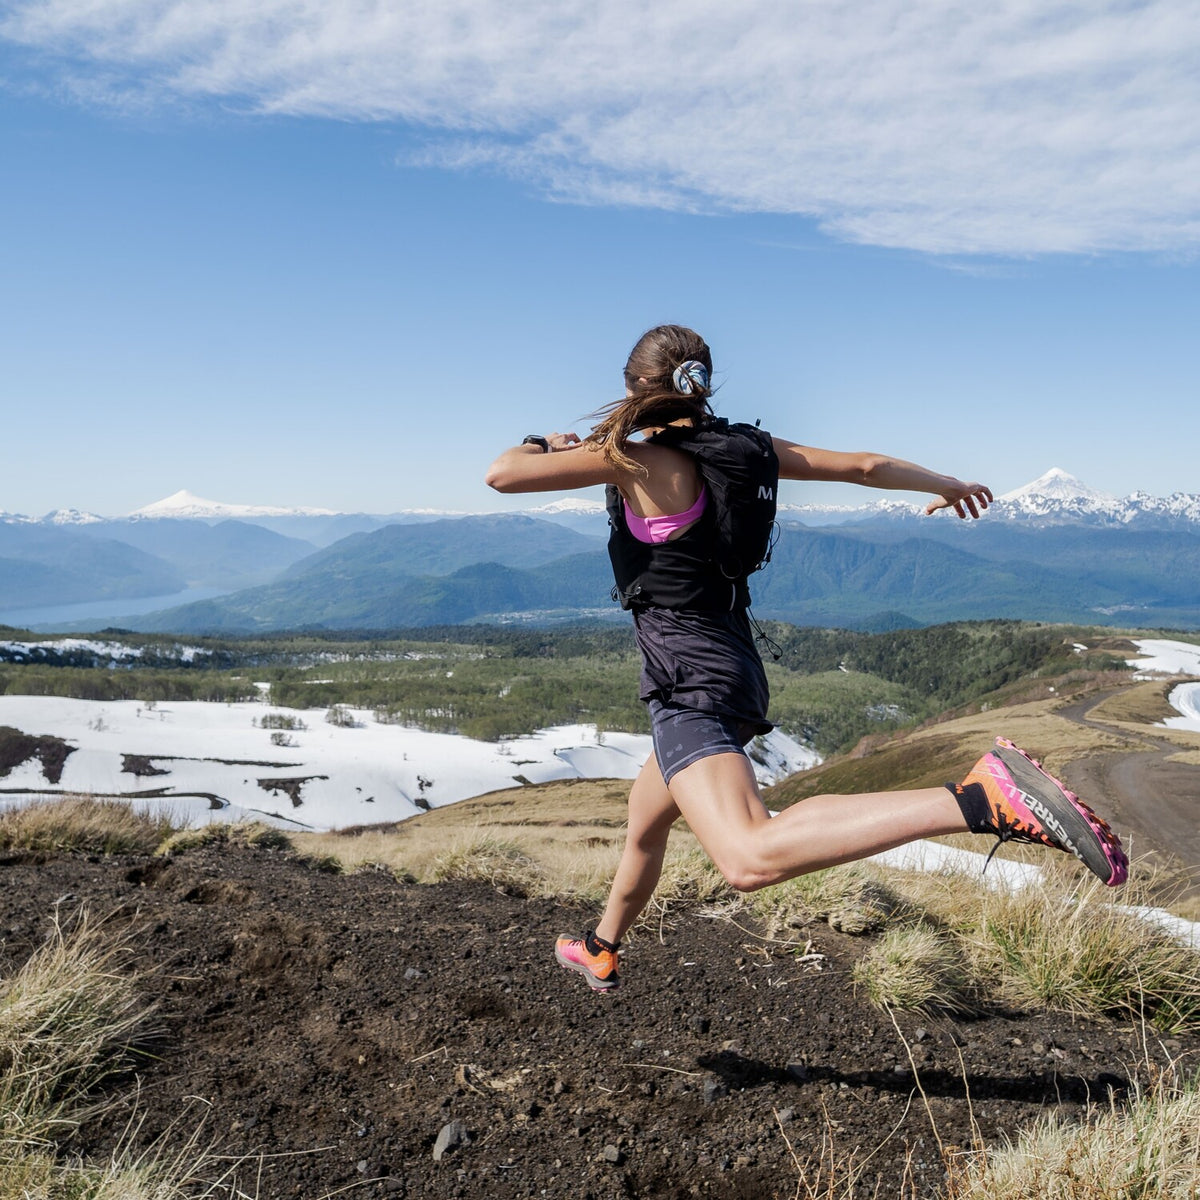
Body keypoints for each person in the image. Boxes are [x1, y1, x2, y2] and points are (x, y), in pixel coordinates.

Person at [485, 324, 1127, 992]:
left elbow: (503, 474)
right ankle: (600, 945)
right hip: (731, 666)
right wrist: (950, 482)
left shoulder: (637, 460)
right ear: (701, 385)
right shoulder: (747, 450)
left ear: (632, 387)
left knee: (747, 854)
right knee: (645, 822)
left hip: (691, 682)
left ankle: (975, 799)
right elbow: (865, 466)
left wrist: (541, 443)